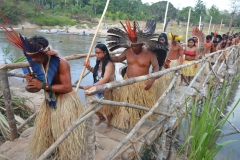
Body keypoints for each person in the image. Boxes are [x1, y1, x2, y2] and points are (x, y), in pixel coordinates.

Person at [22, 36, 85, 159]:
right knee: (47, 129)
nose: (33, 59)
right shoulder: (37, 63)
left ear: (45, 52)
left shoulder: (61, 63)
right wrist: (31, 83)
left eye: (35, 56)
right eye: (30, 56)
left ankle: (66, 154)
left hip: (65, 102)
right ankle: (53, 151)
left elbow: (67, 87)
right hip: (49, 101)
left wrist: (43, 85)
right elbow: (34, 89)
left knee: (64, 131)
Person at [106, 20, 168, 129]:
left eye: (136, 46)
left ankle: (138, 121)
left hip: (142, 83)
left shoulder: (149, 53)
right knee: (128, 101)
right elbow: (118, 58)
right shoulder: (128, 50)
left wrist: (152, 80)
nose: (134, 48)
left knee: (140, 104)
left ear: (142, 44)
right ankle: (130, 120)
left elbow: (156, 67)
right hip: (128, 82)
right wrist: (106, 56)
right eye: (132, 45)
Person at [84, 43, 115, 133]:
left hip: (107, 89)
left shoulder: (109, 64)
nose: (96, 55)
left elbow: (105, 79)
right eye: (95, 53)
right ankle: (101, 117)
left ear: (104, 52)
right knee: (91, 103)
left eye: (98, 53)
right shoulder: (99, 62)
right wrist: (88, 67)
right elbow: (97, 73)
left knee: (107, 108)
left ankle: (109, 124)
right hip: (98, 87)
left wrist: (93, 86)